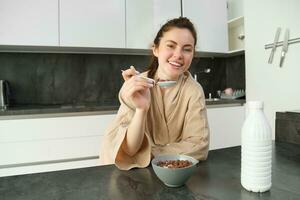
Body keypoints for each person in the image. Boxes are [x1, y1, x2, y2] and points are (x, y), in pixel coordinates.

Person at [100, 17, 209, 170]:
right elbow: (130, 150)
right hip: (130, 173)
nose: (178, 55)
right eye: (171, 45)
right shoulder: (138, 85)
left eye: (187, 49)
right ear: (156, 49)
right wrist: (141, 109)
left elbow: (199, 145)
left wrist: (147, 153)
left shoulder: (194, 90)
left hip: (171, 170)